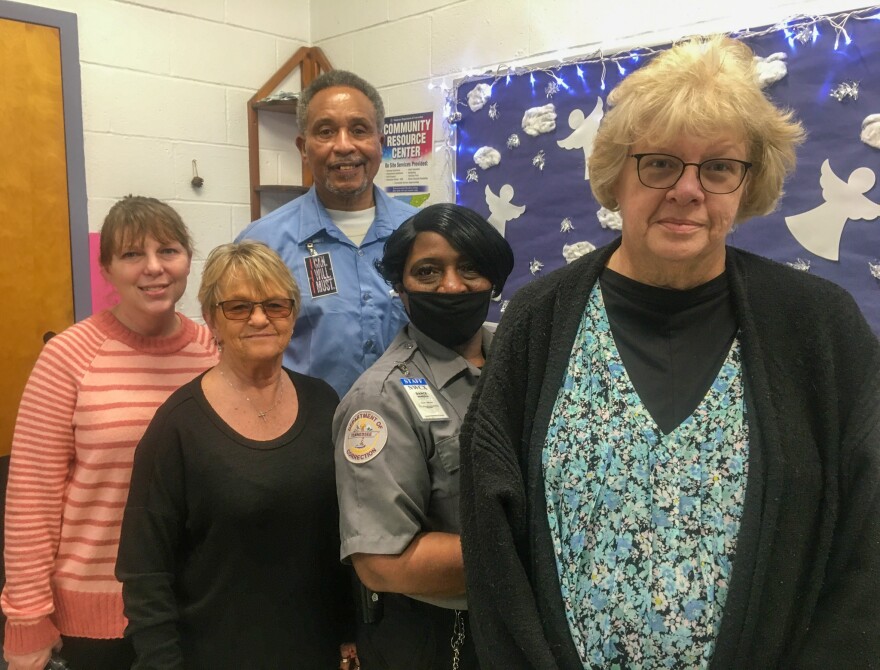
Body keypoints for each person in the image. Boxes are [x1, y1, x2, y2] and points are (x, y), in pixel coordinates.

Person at [459, 35, 880, 669]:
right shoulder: (536, 323)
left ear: (748, 183)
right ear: (616, 176)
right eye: (658, 163)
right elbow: (492, 547)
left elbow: (866, 549)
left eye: (717, 167)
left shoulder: (820, 327)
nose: (688, 190)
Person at [116, 241, 356, 669]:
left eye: (275, 305)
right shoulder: (178, 427)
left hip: (315, 653)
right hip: (212, 655)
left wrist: (348, 634)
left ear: (293, 313)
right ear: (211, 318)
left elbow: (337, 539)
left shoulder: (323, 403)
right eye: (239, 307)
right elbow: (145, 574)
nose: (260, 318)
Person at [2, 196, 217, 670]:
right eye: (132, 255)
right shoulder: (69, 356)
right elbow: (31, 500)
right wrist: (26, 619)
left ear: (188, 258)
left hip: (193, 608)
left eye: (169, 251)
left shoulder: (212, 351)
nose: (154, 268)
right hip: (96, 618)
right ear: (106, 270)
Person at [334, 203, 514, 669]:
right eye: (429, 272)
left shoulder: (521, 358)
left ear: (494, 281)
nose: (452, 286)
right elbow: (381, 561)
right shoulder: (378, 399)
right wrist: (528, 551)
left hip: (519, 621)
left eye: (471, 268)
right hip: (437, 635)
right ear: (400, 286)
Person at [237, 69, 418, 397]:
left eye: (359, 130)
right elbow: (239, 352)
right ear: (303, 148)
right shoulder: (262, 245)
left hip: (411, 438)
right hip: (306, 436)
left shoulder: (422, 235)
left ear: (381, 142)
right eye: (326, 131)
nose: (344, 145)